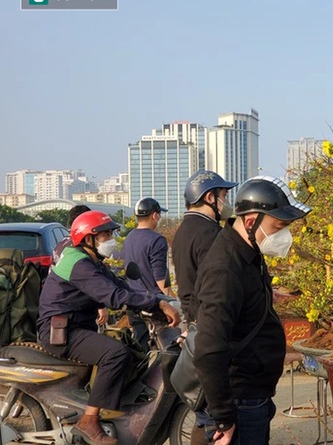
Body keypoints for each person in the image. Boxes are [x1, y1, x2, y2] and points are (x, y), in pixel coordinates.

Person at [38, 210, 180, 445]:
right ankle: (89, 422)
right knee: (116, 353)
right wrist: (156, 302)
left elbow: (121, 286)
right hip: (61, 332)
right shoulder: (79, 264)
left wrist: (160, 299)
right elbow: (113, 296)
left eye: (110, 233)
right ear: (88, 239)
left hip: (76, 327)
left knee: (129, 347)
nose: (110, 239)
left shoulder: (92, 260)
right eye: (104, 234)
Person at [192, 176, 312, 445]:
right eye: (279, 226)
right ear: (250, 221)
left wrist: (267, 295)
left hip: (255, 396)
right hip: (239, 403)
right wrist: (223, 418)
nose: (284, 236)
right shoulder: (225, 268)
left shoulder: (249, 252)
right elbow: (209, 350)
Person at [172, 170, 237, 324]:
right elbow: (216, 284)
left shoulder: (182, 230)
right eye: (224, 196)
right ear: (210, 198)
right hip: (208, 317)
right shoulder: (211, 233)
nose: (226, 202)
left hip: (191, 314)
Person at [123, 197, 172, 350]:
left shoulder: (129, 238)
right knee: (167, 352)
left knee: (141, 349)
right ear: (154, 215)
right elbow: (160, 279)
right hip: (154, 305)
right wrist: (171, 302)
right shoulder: (157, 240)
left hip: (134, 301)